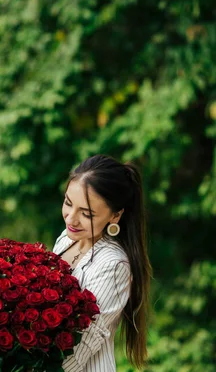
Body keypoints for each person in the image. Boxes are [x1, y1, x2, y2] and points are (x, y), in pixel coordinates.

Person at [53, 154, 152, 372]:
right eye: (68, 203)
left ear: (115, 216)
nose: (71, 219)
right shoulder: (66, 238)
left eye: (86, 214)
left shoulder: (113, 266)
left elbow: (78, 351)